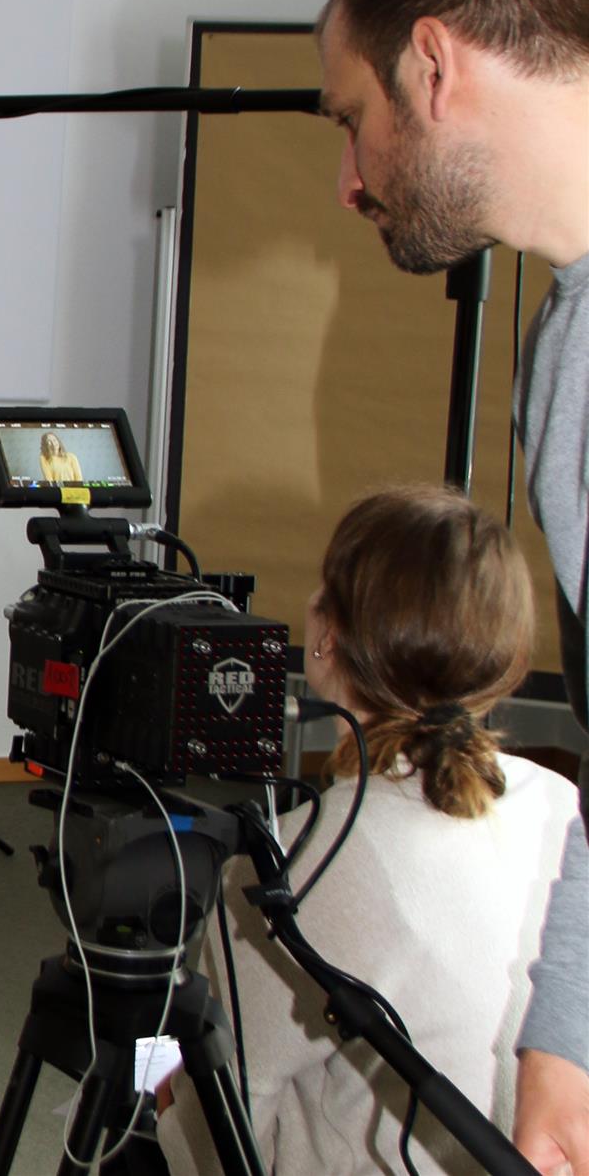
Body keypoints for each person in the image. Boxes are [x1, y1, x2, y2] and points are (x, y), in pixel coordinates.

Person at [316, 0, 589, 1168]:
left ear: (430, 65)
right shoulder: (560, 348)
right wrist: (564, 1047)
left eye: (351, 119)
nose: (350, 179)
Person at [155, 486, 585, 1174]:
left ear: (328, 635)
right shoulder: (564, 808)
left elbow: (216, 1136)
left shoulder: (300, 862)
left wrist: (159, 1100)